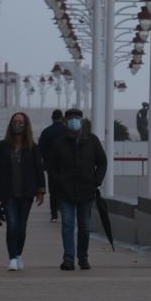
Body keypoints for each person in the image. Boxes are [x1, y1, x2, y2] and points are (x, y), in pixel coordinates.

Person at [45, 108, 107, 271]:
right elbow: (51, 166)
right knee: (67, 224)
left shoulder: (92, 141)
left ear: (81, 121)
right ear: (66, 121)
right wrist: (58, 182)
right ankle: (68, 258)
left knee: (84, 226)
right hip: (65, 191)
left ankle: (83, 257)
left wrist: (97, 181)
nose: (74, 121)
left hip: (86, 190)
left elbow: (102, 162)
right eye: (71, 118)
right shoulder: (59, 142)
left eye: (77, 118)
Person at [0, 112, 46, 271]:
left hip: (26, 193)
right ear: (11, 124)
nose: (18, 124)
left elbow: (39, 169)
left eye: (21, 122)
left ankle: (18, 254)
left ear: (26, 125)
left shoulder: (32, 147)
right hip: (7, 192)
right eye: (15, 121)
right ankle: (12, 259)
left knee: (22, 227)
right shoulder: (2, 146)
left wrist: (41, 190)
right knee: (12, 224)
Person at [37, 109, 69, 223]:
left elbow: (40, 149)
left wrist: (46, 159)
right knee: (65, 189)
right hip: (66, 165)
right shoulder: (67, 131)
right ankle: (64, 211)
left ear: (52, 118)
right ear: (62, 118)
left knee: (53, 190)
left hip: (51, 165)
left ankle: (54, 214)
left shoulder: (46, 132)